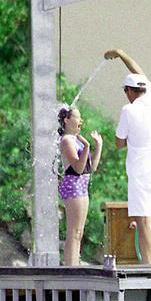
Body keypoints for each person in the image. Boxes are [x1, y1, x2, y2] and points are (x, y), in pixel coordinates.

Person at [105, 48, 151, 265]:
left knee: (144, 221)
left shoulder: (128, 110)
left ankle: (147, 266)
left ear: (128, 91)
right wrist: (121, 54)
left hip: (141, 172)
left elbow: (118, 142)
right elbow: (138, 70)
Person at [57, 107, 103, 266]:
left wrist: (98, 146)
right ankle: (71, 268)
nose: (81, 121)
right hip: (72, 186)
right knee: (73, 231)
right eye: (77, 117)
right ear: (66, 121)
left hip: (82, 187)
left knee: (79, 232)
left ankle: (74, 265)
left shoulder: (77, 140)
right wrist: (87, 147)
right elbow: (77, 167)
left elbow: (92, 167)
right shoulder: (66, 140)